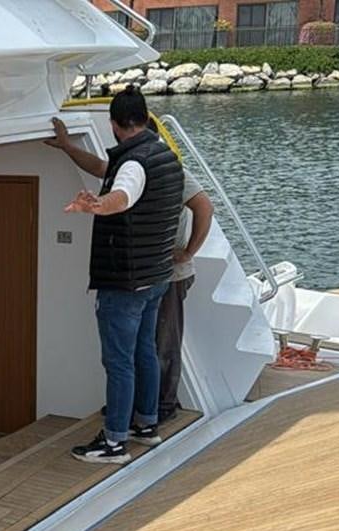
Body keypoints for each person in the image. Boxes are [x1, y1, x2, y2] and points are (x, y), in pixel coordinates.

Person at [46, 85, 184, 464]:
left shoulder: (134, 165)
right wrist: (68, 148)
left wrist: (97, 206)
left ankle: (114, 442)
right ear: (145, 117)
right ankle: (146, 425)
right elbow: (109, 172)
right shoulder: (162, 156)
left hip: (125, 281)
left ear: (115, 124)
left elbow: (122, 194)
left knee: (119, 362)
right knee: (144, 352)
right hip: (156, 276)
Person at [158, 169, 214, 423]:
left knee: (165, 341)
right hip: (150, 273)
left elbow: (204, 207)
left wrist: (189, 251)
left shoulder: (175, 172)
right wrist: (70, 148)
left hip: (172, 275)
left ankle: (166, 405)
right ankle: (147, 402)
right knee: (150, 342)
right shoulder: (129, 163)